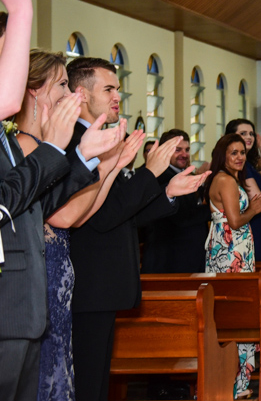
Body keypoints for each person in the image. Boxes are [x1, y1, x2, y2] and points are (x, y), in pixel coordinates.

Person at [0, 0, 125, 401]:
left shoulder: (26, 142)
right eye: (58, 85)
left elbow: (42, 202)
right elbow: (56, 213)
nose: (67, 93)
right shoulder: (22, 141)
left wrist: (95, 160)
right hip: (21, 292)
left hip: (35, 291)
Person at [66, 57, 210, 401]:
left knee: (97, 381)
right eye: (109, 89)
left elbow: (123, 214)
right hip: (89, 281)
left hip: (104, 284)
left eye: (117, 87)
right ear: (82, 94)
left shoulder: (100, 138)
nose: (118, 95)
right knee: (86, 382)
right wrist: (148, 173)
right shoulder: (75, 141)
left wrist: (168, 194)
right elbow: (100, 216)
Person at [12, 51, 140, 401]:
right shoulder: (29, 145)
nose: (71, 95)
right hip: (43, 277)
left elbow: (76, 213)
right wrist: (104, 165)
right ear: (35, 91)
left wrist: (112, 165)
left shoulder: (45, 146)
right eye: (63, 85)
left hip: (59, 280)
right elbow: (63, 216)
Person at [204, 133, 261, 398]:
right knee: (236, 313)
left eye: (242, 152)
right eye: (233, 152)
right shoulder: (224, 180)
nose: (239, 157)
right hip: (230, 250)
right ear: (222, 155)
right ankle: (235, 385)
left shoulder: (229, 179)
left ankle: (237, 383)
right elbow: (235, 221)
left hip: (236, 248)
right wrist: (256, 209)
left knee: (236, 313)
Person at [141, 129, 212, 274]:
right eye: (177, 150)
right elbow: (181, 218)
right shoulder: (160, 176)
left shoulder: (182, 174)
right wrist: (214, 209)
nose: (184, 154)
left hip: (186, 256)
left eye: (187, 149)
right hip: (169, 259)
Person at [226, 118, 261, 261]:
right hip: (253, 222)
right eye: (243, 133)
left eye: (251, 134)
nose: (249, 137)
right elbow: (259, 198)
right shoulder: (240, 166)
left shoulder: (248, 164)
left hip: (259, 220)